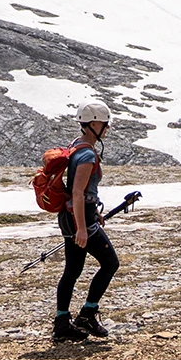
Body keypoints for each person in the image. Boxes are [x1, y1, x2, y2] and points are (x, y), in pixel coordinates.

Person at [53, 100, 121, 342]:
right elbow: (78, 193)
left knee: (72, 270)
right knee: (110, 263)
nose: (107, 128)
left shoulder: (76, 146)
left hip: (71, 217)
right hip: (80, 220)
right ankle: (87, 314)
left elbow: (79, 192)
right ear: (93, 124)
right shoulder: (87, 155)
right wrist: (83, 227)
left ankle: (62, 323)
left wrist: (93, 212)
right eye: (105, 124)